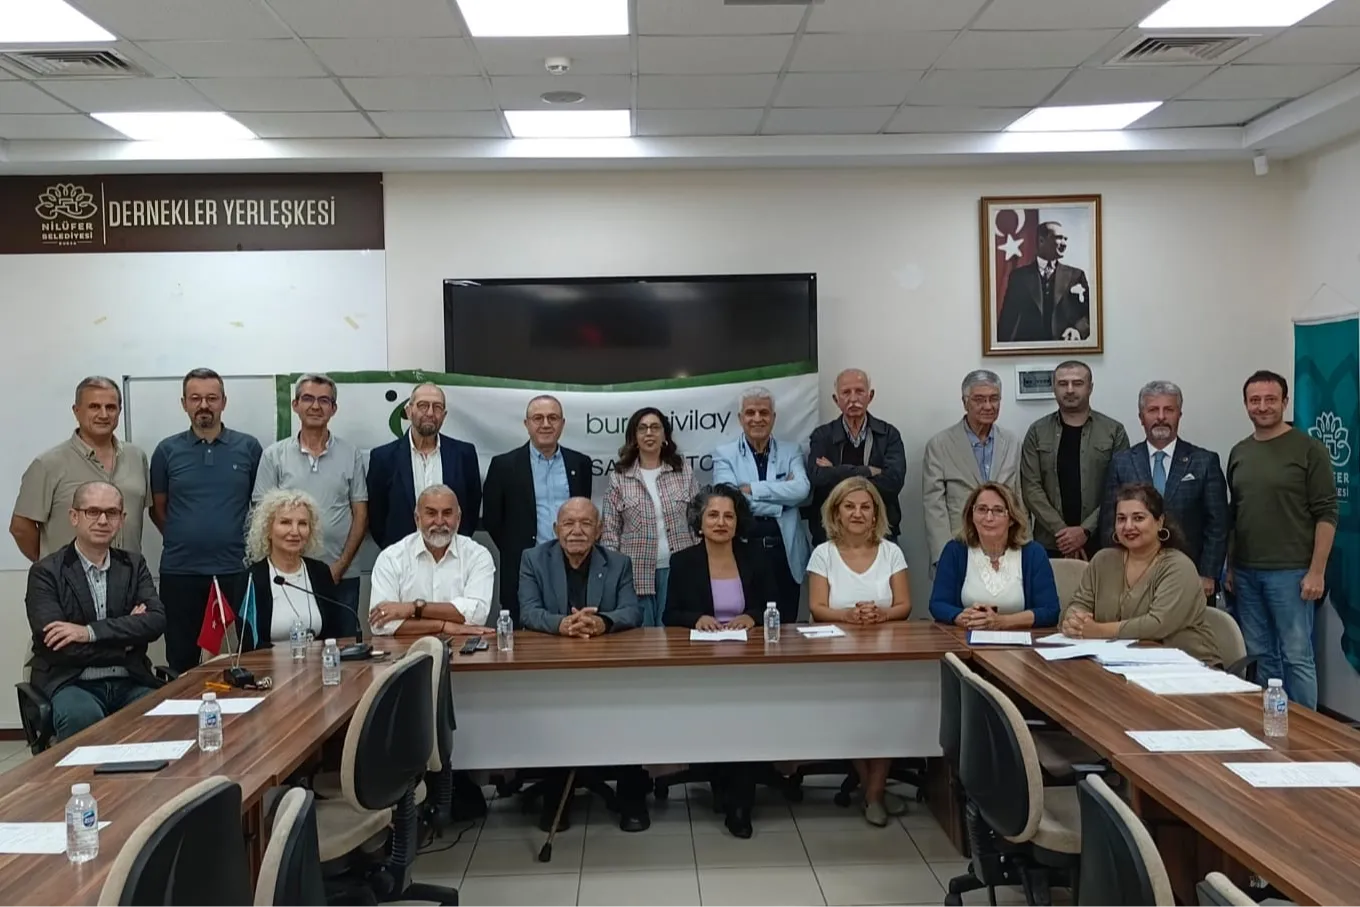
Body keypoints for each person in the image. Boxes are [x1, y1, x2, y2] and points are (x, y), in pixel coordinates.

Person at [517, 497, 649, 833]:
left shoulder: (617, 562)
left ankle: (631, 796)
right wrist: (562, 624)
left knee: (631, 713)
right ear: (555, 529)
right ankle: (557, 796)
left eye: (586, 523)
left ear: (600, 530)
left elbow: (632, 611)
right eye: (569, 523)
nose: (576, 531)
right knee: (553, 719)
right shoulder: (533, 559)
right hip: (552, 670)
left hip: (608, 669)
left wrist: (602, 622)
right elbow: (528, 612)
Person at [664, 485, 776, 839]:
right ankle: (720, 781)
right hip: (701, 661)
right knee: (717, 717)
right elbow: (670, 614)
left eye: (729, 516)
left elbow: (776, 607)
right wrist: (696, 618)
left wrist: (752, 617)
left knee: (744, 722)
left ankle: (740, 805)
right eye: (712, 515)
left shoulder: (756, 557)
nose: (721, 522)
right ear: (699, 522)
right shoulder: (683, 561)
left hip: (749, 661)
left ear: (738, 522)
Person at [805, 476, 912, 826]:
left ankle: (873, 793)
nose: (857, 513)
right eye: (849, 506)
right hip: (836, 655)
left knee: (886, 718)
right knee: (849, 717)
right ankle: (874, 792)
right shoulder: (823, 553)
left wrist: (882, 614)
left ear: (876, 514)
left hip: (885, 655)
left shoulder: (891, 551)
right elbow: (818, 607)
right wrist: (848, 615)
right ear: (836, 512)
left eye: (866, 507)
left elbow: (904, 605)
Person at [1227, 370, 1337, 709]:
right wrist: (1230, 566)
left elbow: (1327, 514)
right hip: (1246, 573)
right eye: (1255, 400)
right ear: (1245, 404)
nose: (1262, 407)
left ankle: (1310, 733)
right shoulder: (1239, 451)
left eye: (1270, 399)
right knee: (1260, 655)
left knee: (1297, 656)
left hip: (1292, 573)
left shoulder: (1309, 449)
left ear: (1285, 402)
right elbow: (1236, 514)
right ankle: (1271, 724)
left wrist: (1317, 571)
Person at [24, 481, 166, 741]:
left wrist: (88, 632)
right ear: (74, 517)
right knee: (83, 718)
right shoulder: (46, 572)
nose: (102, 520)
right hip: (71, 683)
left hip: (130, 680)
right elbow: (58, 644)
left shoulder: (134, 566)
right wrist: (125, 642)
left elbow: (156, 621)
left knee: (162, 716)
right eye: (92, 511)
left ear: (121, 520)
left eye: (111, 512)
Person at [149, 368, 263, 672]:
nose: (204, 405)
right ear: (184, 403)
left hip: (238, 568)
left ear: (223, 402)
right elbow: (158, 509)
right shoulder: (166, 451)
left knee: (251, 655)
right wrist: (186, 536)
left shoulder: (249, 448)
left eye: (211, 398)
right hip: (181, 571)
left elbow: (260, 507)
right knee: (181, 658)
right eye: (195, 398)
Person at [253, 374, 368, 638]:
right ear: (295, 405)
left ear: (333, 408)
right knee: (291, 645)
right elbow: (263, 517)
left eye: (324, 400)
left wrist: (339, 567)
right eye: (308, 399)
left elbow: (361, 515)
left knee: (344, 649)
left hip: (342, 574)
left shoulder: (350, 454)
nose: (315, 406)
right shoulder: (274, 455)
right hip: (289, 576)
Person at [1060, 483, 1221, 666]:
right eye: (1121, 519)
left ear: (1160, 522)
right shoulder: (1103, 560)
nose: (1128, 526)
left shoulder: (1178, 567)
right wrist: (1074, 621)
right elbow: (1080, 602)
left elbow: (1157, 624)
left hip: (1189, 667)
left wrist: (1097, 631)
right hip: (1120, 662)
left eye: (1138, 518)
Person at [1099, 381, 1228, 598]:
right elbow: (1109, 522)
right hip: (1133, 576)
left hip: (1191, 574)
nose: (1161, 417)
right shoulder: (1122, 462)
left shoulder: (1204, 461)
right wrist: (1118, 571)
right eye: (1152, 410)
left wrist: (1208, 574)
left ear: (1179, 415)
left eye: (1168, 410)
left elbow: (1217, 523)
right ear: (1141, 417)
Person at [11, 376, 149, 562]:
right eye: (94, 407)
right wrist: (53, 568)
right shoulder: (48, 464)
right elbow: (20, 527)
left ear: (119, 411)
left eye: (110, 407)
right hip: (68, 577)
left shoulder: (137, 458)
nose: (103, 414)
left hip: (127, 575)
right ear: (76, 411)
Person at [484, 395, 593, 625]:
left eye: (552, 418)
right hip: (524, 568)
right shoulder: (504, 465)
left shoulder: (580, 463)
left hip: (573, 565)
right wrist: (520, 549)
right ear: (526, 424)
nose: (545, 424)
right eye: (538, 418)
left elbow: (584, 513)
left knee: (574, 628)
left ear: (562, 423)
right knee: (524, 635)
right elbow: (493, 520)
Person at [712, 385, 811, 622]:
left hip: (785, 554)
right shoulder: (724, 454)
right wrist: (782, 503)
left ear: (773, 417)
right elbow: (731, 502)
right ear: (740, 418)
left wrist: (754, 489)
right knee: (749, 622)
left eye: (764, 413)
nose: (757, 419)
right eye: (750, 413)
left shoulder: (791, 451)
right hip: (745, 551)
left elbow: (802, 490)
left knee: (786, 626)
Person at [601, 407, 700, 627]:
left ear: (665, 435)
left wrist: (700, 564)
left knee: (674, 635)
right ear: (634, 437)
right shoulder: (619, 477)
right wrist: (613, 575)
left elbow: (697, 522)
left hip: (679, 570)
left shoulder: (683, 471)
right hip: (635, 572)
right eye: (642, 428)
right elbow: (610, 531)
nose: (649, 433)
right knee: (641, 638)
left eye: (655, 427)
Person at [1021, 361, 1129, 560]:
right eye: (1063, 384)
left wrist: (1085, 530)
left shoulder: (1114, 431)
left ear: (1090, 387)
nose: (1070, 390)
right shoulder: (1037, 431)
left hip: (1101, 541)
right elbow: (1031, 488)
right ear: (1054, 388)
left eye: (1077, 383)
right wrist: (1063, 533)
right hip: (1051, 543)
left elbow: (1121, 488)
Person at [922, 369, 1022, 572]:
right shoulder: (940, 445)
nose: (988, 406)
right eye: (979, 399)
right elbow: (934, 506)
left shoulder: (1012, 443)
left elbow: (1019, 498)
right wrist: (944, 557)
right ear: (965, 402)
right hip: (960, 545)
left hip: (1005, 549)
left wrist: (1023, 546)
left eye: (994, 399)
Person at [368, 485, 495, 639]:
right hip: (406, 650)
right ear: (417, 519)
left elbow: (477, 615)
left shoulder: (478, 556)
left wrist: (413, 608)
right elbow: (380, 623)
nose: (440, 522)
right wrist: (443, 626)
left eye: (447, 513)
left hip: (462, 647)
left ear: (458, 518)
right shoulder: (391, 558)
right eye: (431, 513)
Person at [928, 482, 1060, 630]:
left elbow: (1050, 611)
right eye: (982, 509)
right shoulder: (955, 550)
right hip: (967, 639)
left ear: (1011, 519)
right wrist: (961, 617)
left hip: (1020, 641)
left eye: (998, 510)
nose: (989, 517)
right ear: (971, 515)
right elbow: (938, 604)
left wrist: (1003, 621)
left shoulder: (1033, 553)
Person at [367, 382, 481, 548]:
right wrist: (394, 551)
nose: (430, 413)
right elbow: (376, 516)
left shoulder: (464, 455)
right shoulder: (383, 458)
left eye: (437, 407)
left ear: (444, 415)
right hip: (402, 557)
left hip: (453, 555)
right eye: (423, 406)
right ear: (409, 411)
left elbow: (470, 509)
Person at [805, 368, 906, 547]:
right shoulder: (822, 435)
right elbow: (818, 477)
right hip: (831, 534)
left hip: (881, 533)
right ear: (836, 399)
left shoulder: (888, 434)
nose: (853, 399)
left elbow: (893, 483)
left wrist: (835, 471)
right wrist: (867, 471)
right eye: (846, 392)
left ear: (870, 396)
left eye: (859, 391)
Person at [236, 488, 343, 650]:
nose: (295, 531)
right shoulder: (251, 579)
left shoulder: (320, 572)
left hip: (318, 663)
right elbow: (249, 643)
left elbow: (334, 633)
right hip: (267, 665)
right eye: (285, 522)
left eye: (302, 524)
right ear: (268, 530)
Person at [996, 220, 1092, 344]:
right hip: (1031, 350)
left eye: (1065, 239)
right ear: (1041, 240)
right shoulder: (1019, 277)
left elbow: (1091, 312)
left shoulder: (1076, 275)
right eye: (1059, 238)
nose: (1064, 243)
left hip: (1065, 348)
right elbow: (1007, 321)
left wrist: (1078, 330)